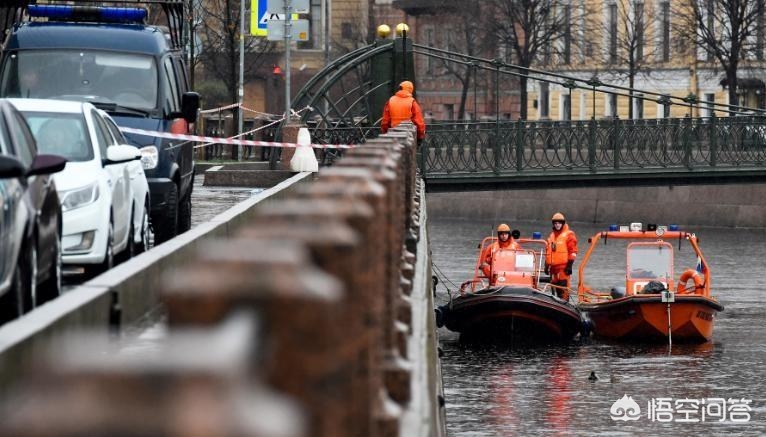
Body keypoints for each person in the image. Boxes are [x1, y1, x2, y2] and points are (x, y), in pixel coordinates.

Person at [380, 80, 426, 144]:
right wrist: (420, 137)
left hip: (393, 134)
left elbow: (385, 121)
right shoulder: (412, 102)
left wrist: (386, 133)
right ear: (410, 90)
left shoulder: (391, 101)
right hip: (408, 136)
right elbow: (419, 122)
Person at [545, 212, 578, 300]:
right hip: (553, 269)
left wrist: (569, 266)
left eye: (559, 223)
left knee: (563, 290)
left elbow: (573, 251)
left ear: (563, 223)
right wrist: (546, 266)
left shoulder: (569, 235)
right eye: (555, 223)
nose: (557, 225)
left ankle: (565, 303)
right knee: (555, 290)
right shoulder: (551, 236)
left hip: (563, 268)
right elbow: (548, 252)